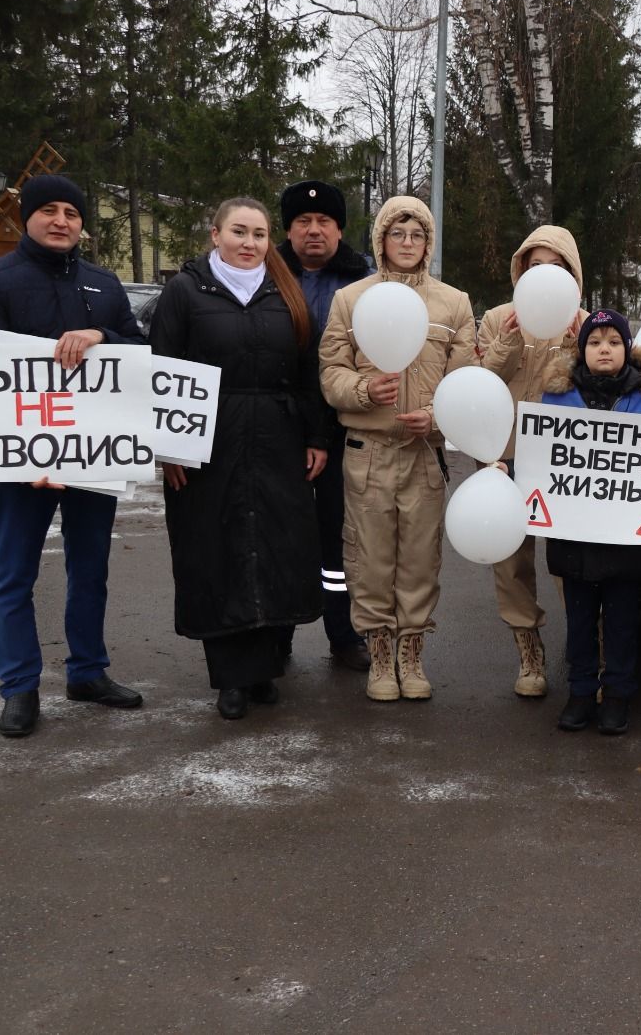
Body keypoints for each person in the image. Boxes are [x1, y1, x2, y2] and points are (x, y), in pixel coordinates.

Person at [0, 175, 148, 737]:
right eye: (49, 210)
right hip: (24, 460)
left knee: (90, 569)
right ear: (27, 217)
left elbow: (138, 351)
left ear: (82, 223)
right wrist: (29, 459)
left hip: (93, 455)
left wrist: (101, 337)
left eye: (72, 211)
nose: (61, 220)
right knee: (13, 575)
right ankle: (18, 688)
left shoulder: (103, 283)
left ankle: (87, 671)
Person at [151, 197, 333, 720]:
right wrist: (169, 447)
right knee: (218, 548)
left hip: (278, 437)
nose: (249, 243)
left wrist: (316, 436)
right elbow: (162, 368)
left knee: (276, 546)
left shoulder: (285, 292)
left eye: (258, 234)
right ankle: (232, 677)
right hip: (208, 440)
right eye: (239, 231)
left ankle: (266, 665)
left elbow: (307, 371)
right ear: (215, 234)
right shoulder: (185, 292)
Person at [319, 196, 477, 702]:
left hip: (424, 453)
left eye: (417, 235)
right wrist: (365, 392)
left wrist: (438, 414)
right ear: (381, 241)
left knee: (418, 560)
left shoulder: (454, 303)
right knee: (369, 558)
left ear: (428, 243)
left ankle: (412, 654)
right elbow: (331, 372)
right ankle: (380, 655)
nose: (407, 244)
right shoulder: (351, 299)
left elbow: (465, 377)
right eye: (397, 234)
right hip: (367, 452)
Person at [539, 309, 641, 736]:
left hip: (625, 537)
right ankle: (580, 693)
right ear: (582, 350)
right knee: (579, 623)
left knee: (620, 623)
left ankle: (616, 695)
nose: (604, 349)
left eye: (614, 342)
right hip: (573, 535)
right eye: (595, 342)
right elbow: (542, 453)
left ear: (628, 349)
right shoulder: (557, 395)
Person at [476, 226, 588, 698]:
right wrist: (507, 342)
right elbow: (477, 384)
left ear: (572, 274)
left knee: (571, 562)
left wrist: (573, 345)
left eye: (557, 266)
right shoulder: (498, 317)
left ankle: (585, 650)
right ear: (522, 269)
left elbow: (599, 386)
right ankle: (529, 653)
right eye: (536, 265)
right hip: (507, 456)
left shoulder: (588, 323)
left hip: (563, 459)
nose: (545, 274)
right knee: (512, 563)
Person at [277, 179, 373, 672]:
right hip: (280, 427)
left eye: (324, 222)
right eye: (302, 222)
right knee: (283, 534)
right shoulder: (265, 274)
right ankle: (279, 634)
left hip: (343, 427)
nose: (313, 231)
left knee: (339, 535)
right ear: (288, 230)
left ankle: (344, 633)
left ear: (339, 230)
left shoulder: (364, 282)